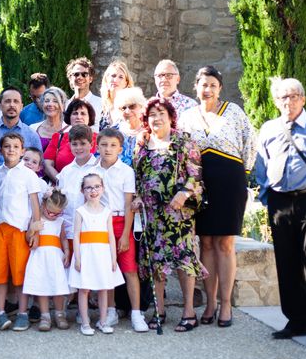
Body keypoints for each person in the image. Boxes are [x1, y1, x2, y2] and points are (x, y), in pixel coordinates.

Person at [179, 66, 256, 327]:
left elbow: (250, 143)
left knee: (225, 243)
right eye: (203, 84)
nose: (208, 89)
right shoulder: (187, 116)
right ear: (196, 87)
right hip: (200, 182)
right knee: (206, 242)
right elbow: (182, 149)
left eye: (213, 84)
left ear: (220, 88)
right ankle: (210, 302)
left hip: (230, 180)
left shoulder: (234, 112)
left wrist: (243, 174)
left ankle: (225, 304)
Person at [255, 77, 306, 346]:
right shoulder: (269, 128)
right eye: (283, 97)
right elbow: (261, 166)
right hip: (279, 203)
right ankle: (295, 320)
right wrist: (266, 196)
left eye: (294, 96)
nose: (289, 101)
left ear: (303, 99)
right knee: (286, 262)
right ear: (276, 101)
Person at [132, 97, 206, 333]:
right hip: (152, 214)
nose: (157, 118)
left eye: (161, 113)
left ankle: (189, 313)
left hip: (178, 213)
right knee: (156, 262)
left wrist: (184, 194)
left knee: (183, 260)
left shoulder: (183, 141)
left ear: (171, 116)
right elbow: (137, 177)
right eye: (152, 114)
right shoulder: (143, 145)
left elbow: (196, 175)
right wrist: (137, 197)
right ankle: (160, 310)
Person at [94, 128, 148, 332]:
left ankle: (136, 313)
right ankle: (111, 310)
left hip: (121, 221)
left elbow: (128, 205)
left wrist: (125, 234)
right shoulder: (93, 169)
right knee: (107, 269)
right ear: (97, 146)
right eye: (104, 145)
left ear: (120, 148)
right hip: (100, 224)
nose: (108, 149)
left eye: (113, 145)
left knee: (129, 269)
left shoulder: (126, 171)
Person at [0, 133, 41, 332]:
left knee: (20, 273)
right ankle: (1, 312)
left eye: (15, 146)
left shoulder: (28, 174)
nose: (11, 149)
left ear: (22, 151)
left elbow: (35, 205)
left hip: (19, 230)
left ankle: (22, 313)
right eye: (7, 146)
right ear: (0, 150)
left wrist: (35, 231)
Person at [69, 173, 125, 336]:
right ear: (82, 191)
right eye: (88, 187)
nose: (93, 191)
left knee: (103, 288)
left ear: (102, 188)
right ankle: (85, 322)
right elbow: (77, 235)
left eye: (96, 187)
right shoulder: (80, 211)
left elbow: (110, 237)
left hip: (102, 254)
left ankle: (103, 320)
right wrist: (77, 258)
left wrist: (113, 258)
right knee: (84, 288)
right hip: (86, 253)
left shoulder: (107, 212)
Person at [23, 189, 71, 331]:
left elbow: (63, 237)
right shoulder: (37, 219)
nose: (53, 216)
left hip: (55, 257)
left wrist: (67, 251)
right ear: (43, 205)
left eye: (57, 213)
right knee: (42, 286)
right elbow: (27, 238)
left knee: (58, 287)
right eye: (50, 212)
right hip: (39, 256)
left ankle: (59, 314)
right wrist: (32, 229)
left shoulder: (60, 221)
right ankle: (45, 316)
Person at [56, 125, 99, 249]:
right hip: (68, 230)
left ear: (91, 145)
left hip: (90, 230)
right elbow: (61, 201)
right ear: (69, 145)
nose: (78, 148)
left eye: (83, 143)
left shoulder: (97, 169)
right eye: (74, 144)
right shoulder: (66, 171)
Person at [44, 99, 98, 183]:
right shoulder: (58, 138)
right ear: (69, 117)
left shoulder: (99, 139)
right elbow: (47, 165)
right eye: (75, 113)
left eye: (83, 113)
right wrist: (61, 182)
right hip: (63, 189)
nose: (79, 117)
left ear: (89, 118)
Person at [0, 86, 42, 155]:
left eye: (16, 101)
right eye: (7, 101)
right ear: (0, 106)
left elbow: (39, 164)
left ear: (21, 107)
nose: (12, 105)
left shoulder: (31, 135)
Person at [112, 87, 148, 165]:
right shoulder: (113, 131)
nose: (127, 111)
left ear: (141, 107)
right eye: (123, 108)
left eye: (132, 106)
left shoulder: (149, 131)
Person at [65, 57, 102, 130]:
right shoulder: (65, 105)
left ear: (91, 79)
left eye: (84, 74)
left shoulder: (101, 104)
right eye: (76, 74)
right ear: (70, 78)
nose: (80, 77)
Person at [29, 87, 68, 151]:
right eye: (47, 101)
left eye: (55, 101)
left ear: (62, 105)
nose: (50, 104)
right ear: (42, 104)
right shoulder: (32, 129)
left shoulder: (69, 130)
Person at [99, 60, 135, 131]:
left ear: (126, 83)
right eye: (113, 76)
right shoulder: (103, 109)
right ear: (107, 79)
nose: (115, 80)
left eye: (121, 77)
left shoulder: (132, 107)